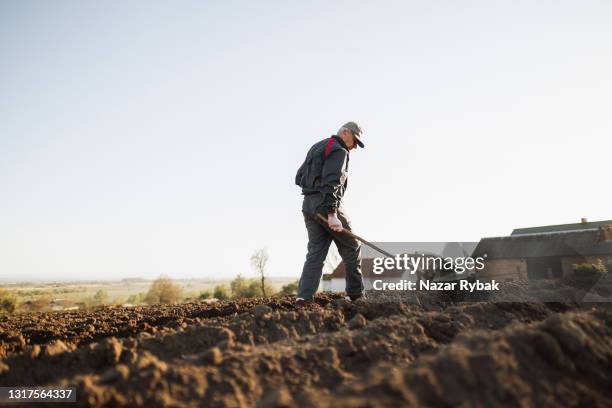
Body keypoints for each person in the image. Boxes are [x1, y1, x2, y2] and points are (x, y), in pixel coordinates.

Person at [294, 121, 365, 307]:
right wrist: (332, 213)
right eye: (355, 140)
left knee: (316, 252)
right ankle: (356, 297)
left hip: (308, 205)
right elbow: (332, 182)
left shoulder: (317, 146)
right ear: (345, 133)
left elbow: (298, 177)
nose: (355, 146)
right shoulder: (339, 150)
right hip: (326, 204)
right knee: (352, 247)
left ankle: (303, 298)